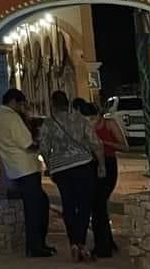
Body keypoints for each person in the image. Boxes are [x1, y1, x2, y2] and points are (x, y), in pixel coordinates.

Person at [39, 91, 105, 263]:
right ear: (68, 103)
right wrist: (102, 165)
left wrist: (51, 166)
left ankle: (73, 243)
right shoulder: (80, 119)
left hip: (61, 169)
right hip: (83, 166)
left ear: (53, 104)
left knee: (68, 204)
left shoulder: (49, 123)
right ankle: (81, 242)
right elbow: (95, 143)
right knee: (84, 205)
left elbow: (44, 148)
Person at [0, 89, 55, 258]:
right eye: (21, 104)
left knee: (40, 203)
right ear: (14, 102)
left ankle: (38, 244)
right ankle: (35, 247)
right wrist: (40, 143)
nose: (22, 108)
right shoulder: (12, 118)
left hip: (14, 169)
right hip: (26, 168)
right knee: (35, 209)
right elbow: (27, 144)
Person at [76, 100, 123, 258]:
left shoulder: (109, 124)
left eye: (92, 119)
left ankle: (103, 246)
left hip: (108, 164)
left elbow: (124, 146)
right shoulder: (84, 126)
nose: (90, 123)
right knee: (97, 205)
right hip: (92, 164)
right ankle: (106, 242)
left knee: (98, 205)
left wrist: (103, 143)